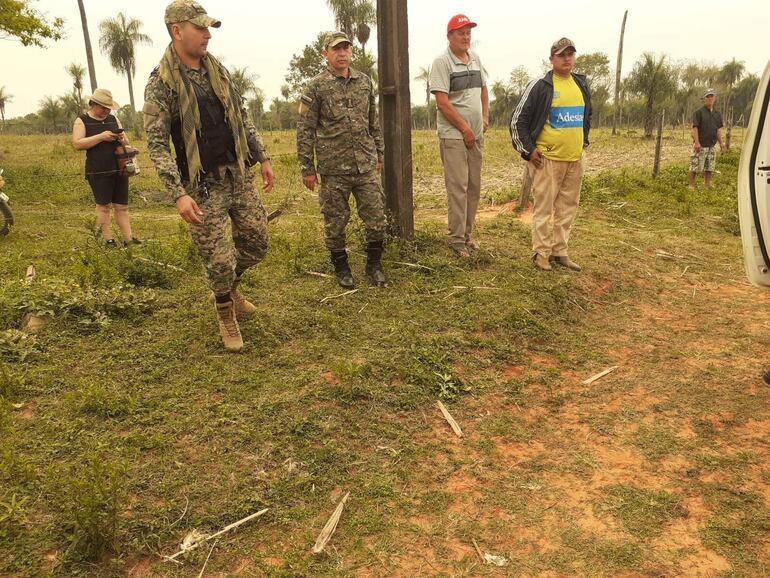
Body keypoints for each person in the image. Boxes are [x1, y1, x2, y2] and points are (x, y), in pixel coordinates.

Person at [142, 0, 274, 352]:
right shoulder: (161, 84)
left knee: (257, 243)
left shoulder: (218, 71)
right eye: (199, 28)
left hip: (237, 175)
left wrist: (262, 156)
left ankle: (231, 288)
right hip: (201, 186)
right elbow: (156, 146)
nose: (206, 35)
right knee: (218, 260)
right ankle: (225, 312)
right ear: (176, 30)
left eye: (208, 28)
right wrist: (178, 194)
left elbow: (241, 117)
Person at [296, 31, 388, 288]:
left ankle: (374, 265)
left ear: (351, 52)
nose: (342, 53)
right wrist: (307, 168)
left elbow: (373, 122)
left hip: (365, 165)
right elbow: (305, 129)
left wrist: (379, 154)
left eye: (346, 48)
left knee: (377, 216)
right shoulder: (315, 87)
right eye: (336, 49)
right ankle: (342, 267)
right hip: (333, 168)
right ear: (326, 53)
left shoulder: (365, 82)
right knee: (335, 221)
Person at [510, 37, 592, 272]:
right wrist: (528, 151)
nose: (567, 58)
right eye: (562, 54)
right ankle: (541, 253)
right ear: (552, 59)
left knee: (568, 207)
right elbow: (517, 121)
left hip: (575, 159)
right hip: (547, 160)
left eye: (571, 54)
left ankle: (560, 252)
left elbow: (587, 114)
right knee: (544, 209)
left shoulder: (580, 84)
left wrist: (583, 139)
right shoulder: (540, 86)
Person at [429, 14, 489, 258]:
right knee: (458, 187)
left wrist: (484, 117)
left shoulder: (474, 58)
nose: (466, 37)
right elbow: (442, 103)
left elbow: (484, 89)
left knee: (474, 186)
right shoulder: (442, 62)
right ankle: (455, 240)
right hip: (454, 135)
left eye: (468, 33)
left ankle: (466, 235)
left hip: (475, 135)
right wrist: (464, 128)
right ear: (449, 36)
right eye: (460, 33)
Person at [72, 88, 141, 248]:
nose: (106, 111)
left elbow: (126, 141)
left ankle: (128, 239)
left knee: (122, 206)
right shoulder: (82, 120)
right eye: (103, 107)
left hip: (120, 168)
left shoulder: (113, 119)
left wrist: (123, 140)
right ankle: (108, 240)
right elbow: (77, 143)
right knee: (103, 206)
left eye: (108, 108)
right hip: (98, 170)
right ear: (93, 104)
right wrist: (101, 136)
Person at [688, 88, 724, 190]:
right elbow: (695, 128)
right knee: (694, 165)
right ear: (704, 99)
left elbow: (718, 130)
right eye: (707, 96)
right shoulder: (698, 113)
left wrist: (721, 143)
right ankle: (691, 185)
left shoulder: (717, 114)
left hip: (712, 145)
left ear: (714, 98)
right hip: (701, 145)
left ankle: (707, 184)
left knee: (710, 166)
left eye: (711, 96)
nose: (710, 98)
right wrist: (697, 143)